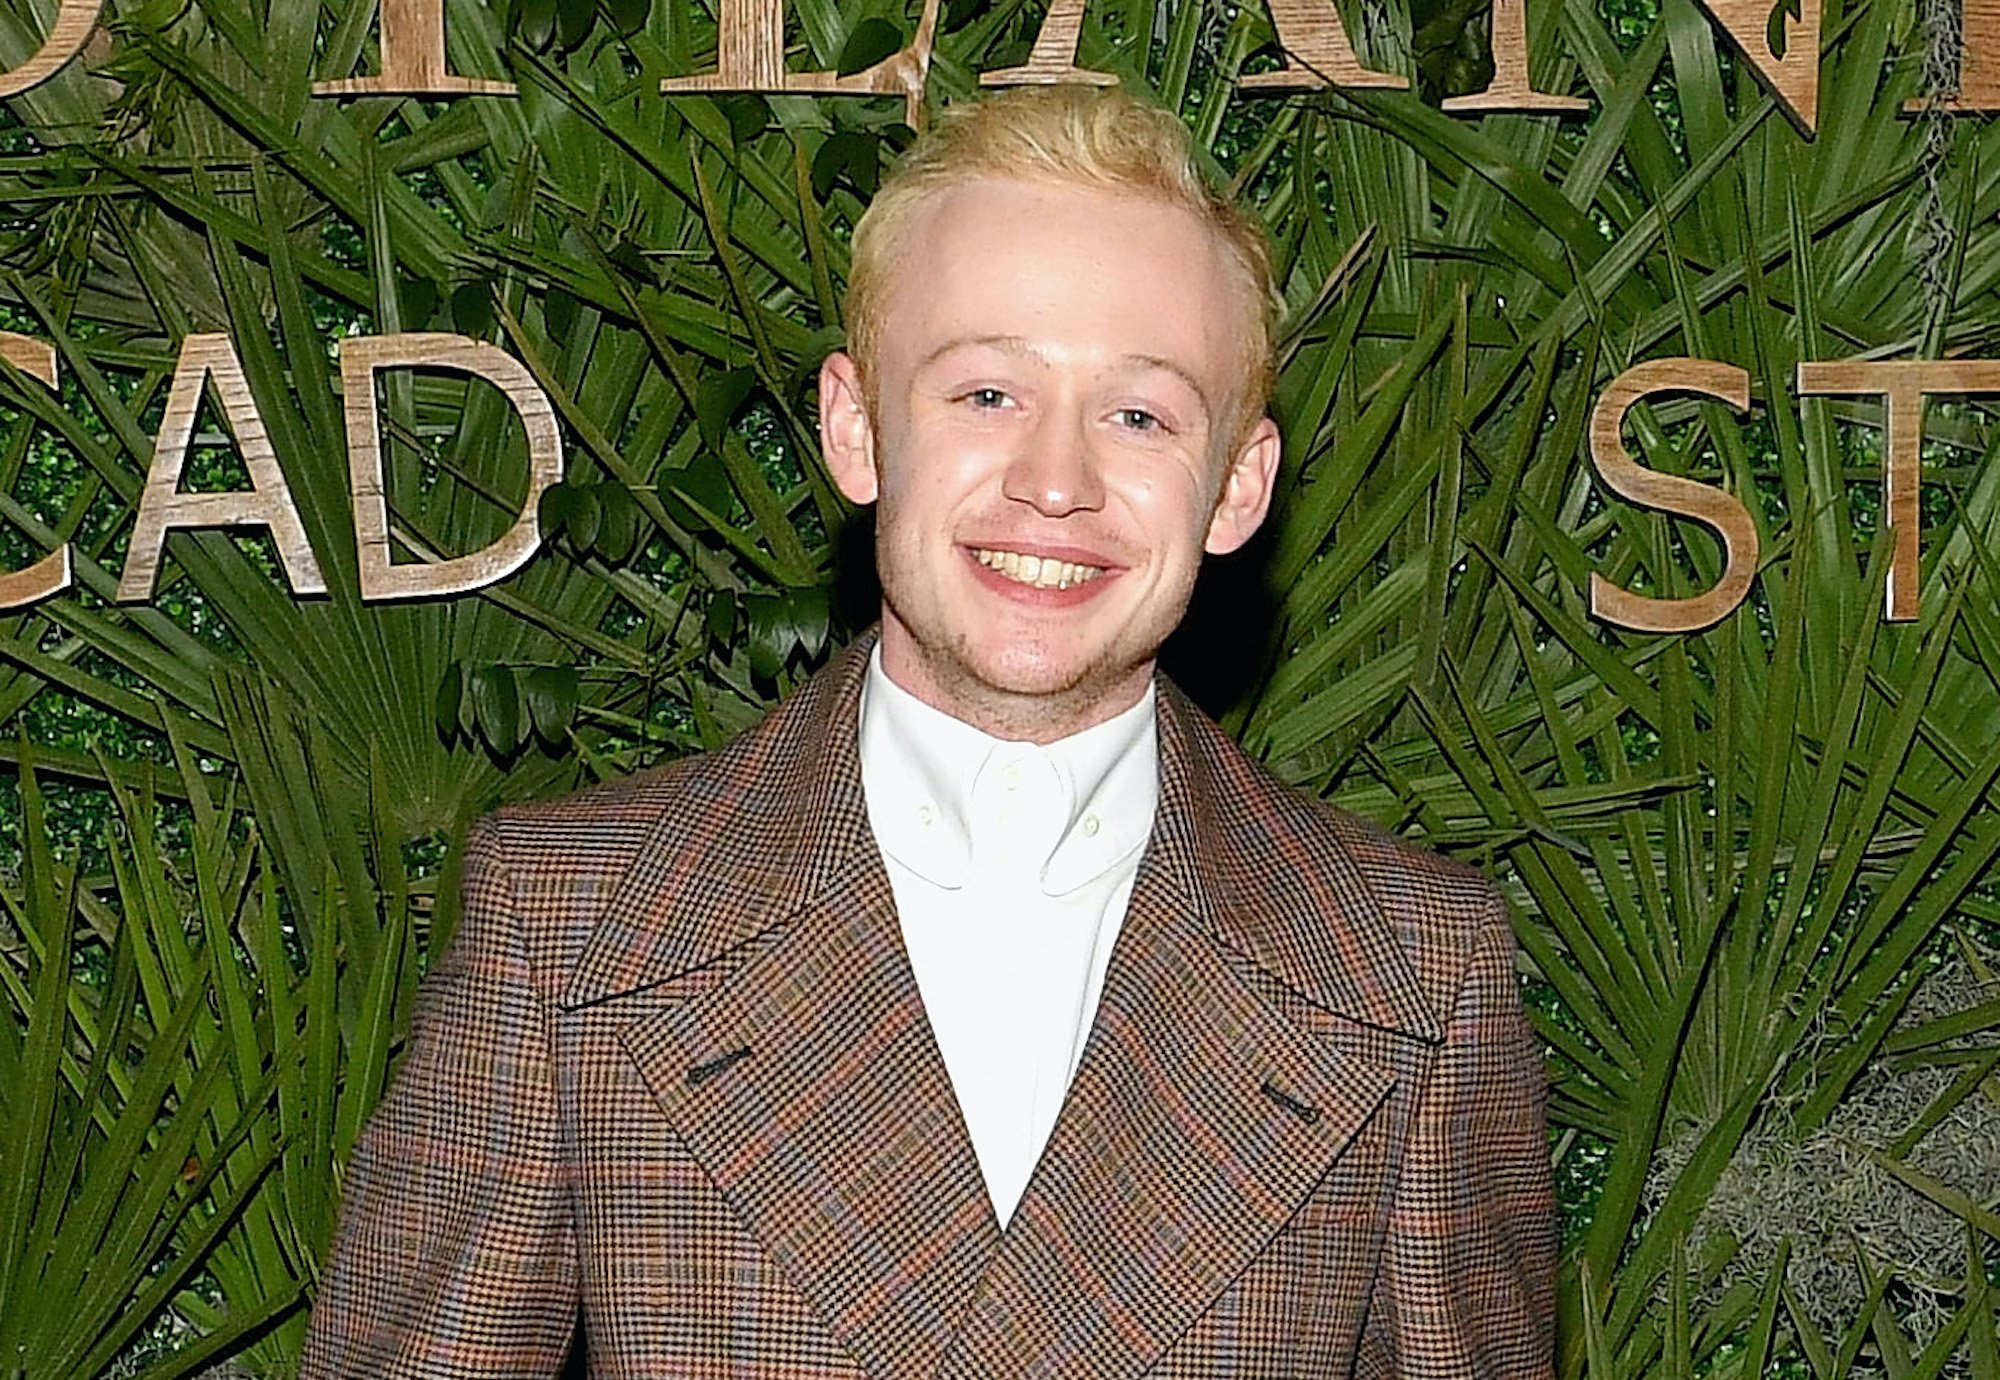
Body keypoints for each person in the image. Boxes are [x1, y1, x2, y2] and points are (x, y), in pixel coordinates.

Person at [301, 83, 1555, 1378]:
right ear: (858, 430)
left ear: (1236, 487)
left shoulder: (1412, 976)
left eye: (1139, 415)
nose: (1055, 483)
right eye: (987, 395)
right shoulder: (569, 930)